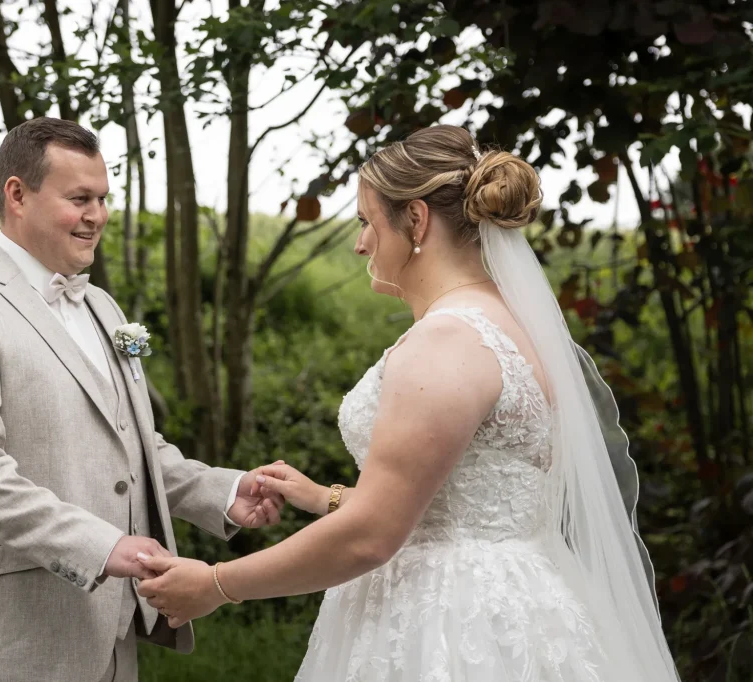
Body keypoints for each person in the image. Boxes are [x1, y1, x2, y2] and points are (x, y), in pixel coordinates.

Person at [137, 125, 681, 681]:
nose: (360, 243)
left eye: (367, 223)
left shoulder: (447, 341)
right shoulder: (516, 326)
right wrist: (326, 498)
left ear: (416, 220)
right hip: (528, 607)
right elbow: (465, 501)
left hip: (447, 621)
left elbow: (374, 536)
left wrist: (217, 584)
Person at [0, 116, 284, 682]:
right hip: (7, 635)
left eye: (103, 199)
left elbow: (129, 445)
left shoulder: (102, 307)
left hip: (105, 631)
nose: (97, 216)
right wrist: (104, 547)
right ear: (17, 195)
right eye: (79, 198)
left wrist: (223, 492)